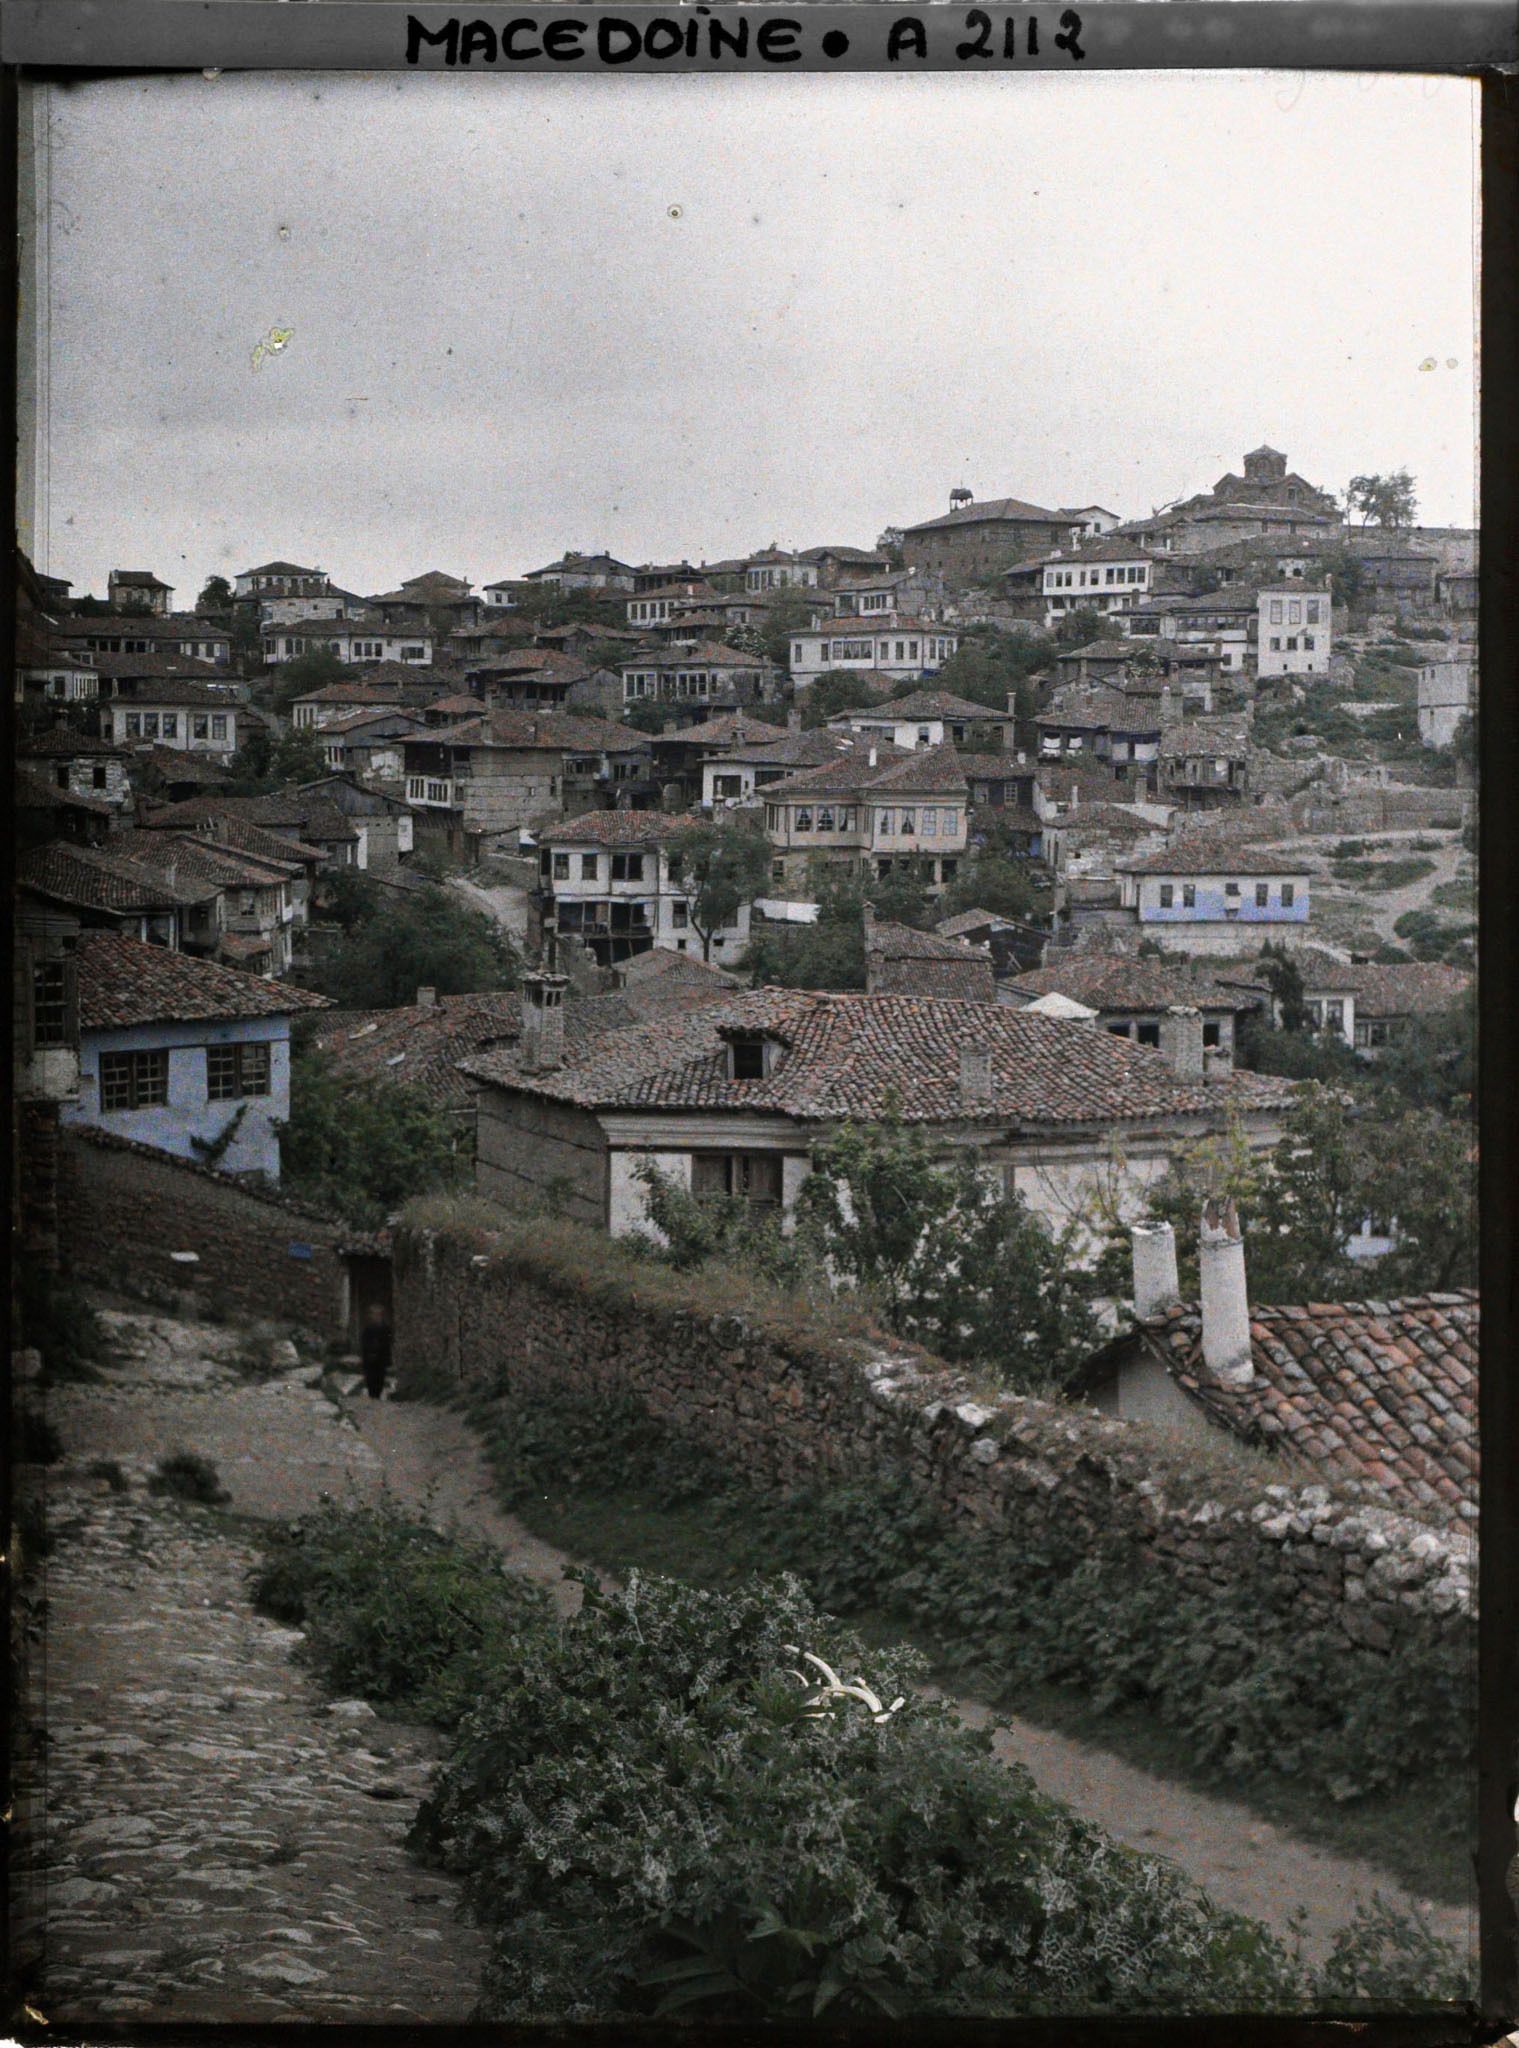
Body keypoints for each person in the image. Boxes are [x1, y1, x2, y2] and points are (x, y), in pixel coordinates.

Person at [359, 1303, 392, 1400]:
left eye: (377, 1314)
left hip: (381, 1357)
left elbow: (387, 1343)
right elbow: (364, 1342)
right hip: (370, 1357)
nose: (375, 1317)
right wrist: (369, 1352)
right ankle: (372, 1395)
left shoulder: (385, 1328)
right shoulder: (368, 1329)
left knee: (380, 1377)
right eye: (373, 1314)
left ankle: (377, 1394)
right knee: (370, 1377)